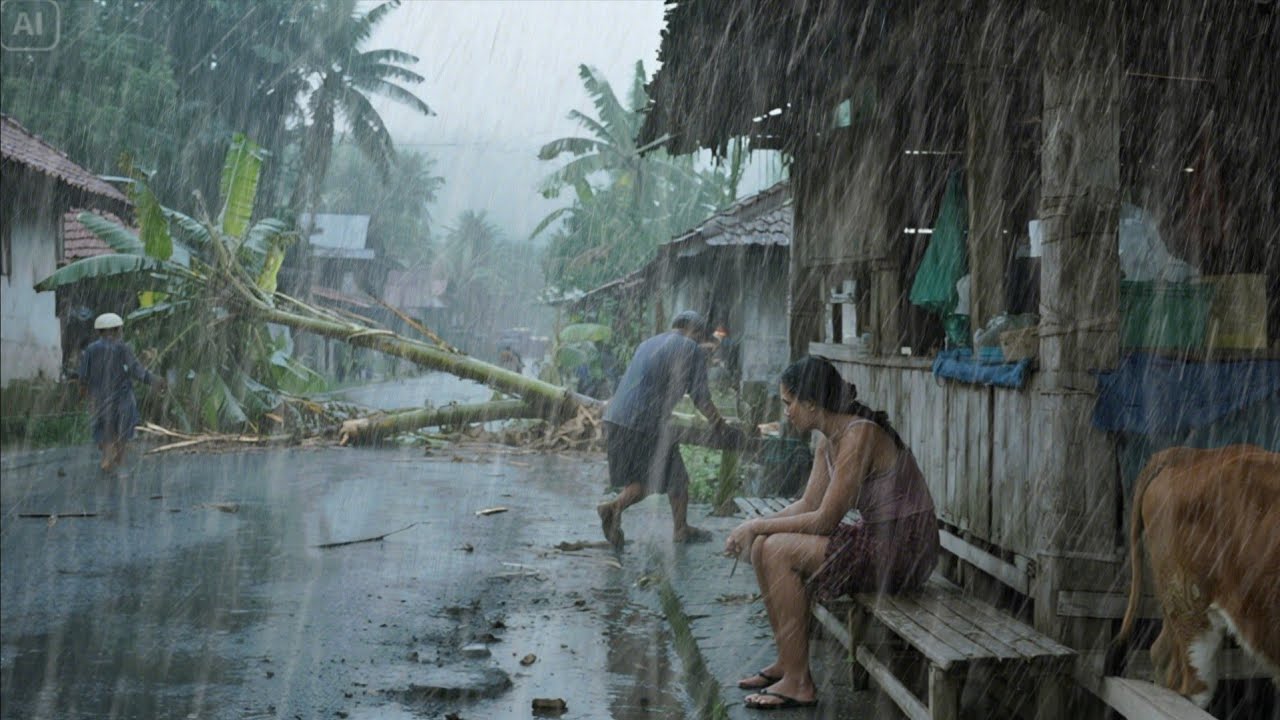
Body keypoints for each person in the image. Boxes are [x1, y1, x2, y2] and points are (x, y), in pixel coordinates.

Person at [724, 356, 938, 710]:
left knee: (777, 549)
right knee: (765, 545)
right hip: (879, 541)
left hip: (906, 551)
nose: (787, 412)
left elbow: (824, 521)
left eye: (788, 403)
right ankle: (787, 662)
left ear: (811, 403)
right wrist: (752, 529)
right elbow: (808, 504)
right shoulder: (829, 438)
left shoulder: (859, 434)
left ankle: (799, 682)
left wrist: (756, 524)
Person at [596, 310, 730, 548]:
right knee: (674, 476)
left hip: (617, 418)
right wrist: (719, 424)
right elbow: (700, 396)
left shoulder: (649, 343)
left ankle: (674, 526)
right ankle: (617, 509)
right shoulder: (692, 348)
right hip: (644, 421)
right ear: (696, 332)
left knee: (650, 478)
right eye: (700, 336)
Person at [78, 313, 164, 471]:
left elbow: (83, 376)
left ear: (99, 331)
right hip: (122, 396)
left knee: (103, 427)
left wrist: (84, 395)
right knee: (123, 427)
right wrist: (154, 380)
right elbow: (136, 371)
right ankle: (119, 457)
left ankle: (106, 456)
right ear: (117, 330)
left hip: (99, 397)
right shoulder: (123, 348)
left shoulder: (90, 350)